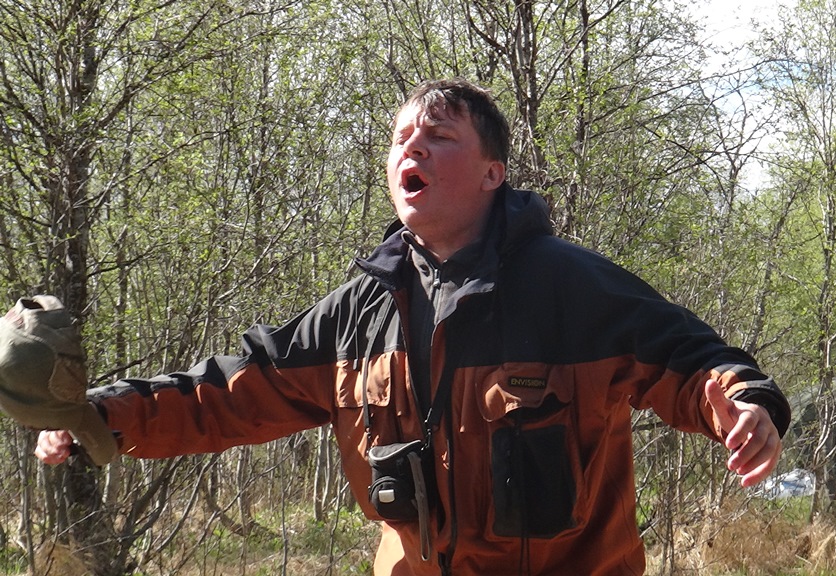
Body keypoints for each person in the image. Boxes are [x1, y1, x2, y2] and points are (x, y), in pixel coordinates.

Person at [36, 78, 790, 575]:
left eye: (440, 136)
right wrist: (98, 415)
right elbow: (234, 391)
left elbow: (693, 360)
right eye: (401, 139)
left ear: (493, 173)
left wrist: (745, 405)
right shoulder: (359, 312)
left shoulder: (573, 288)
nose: (413, 147)